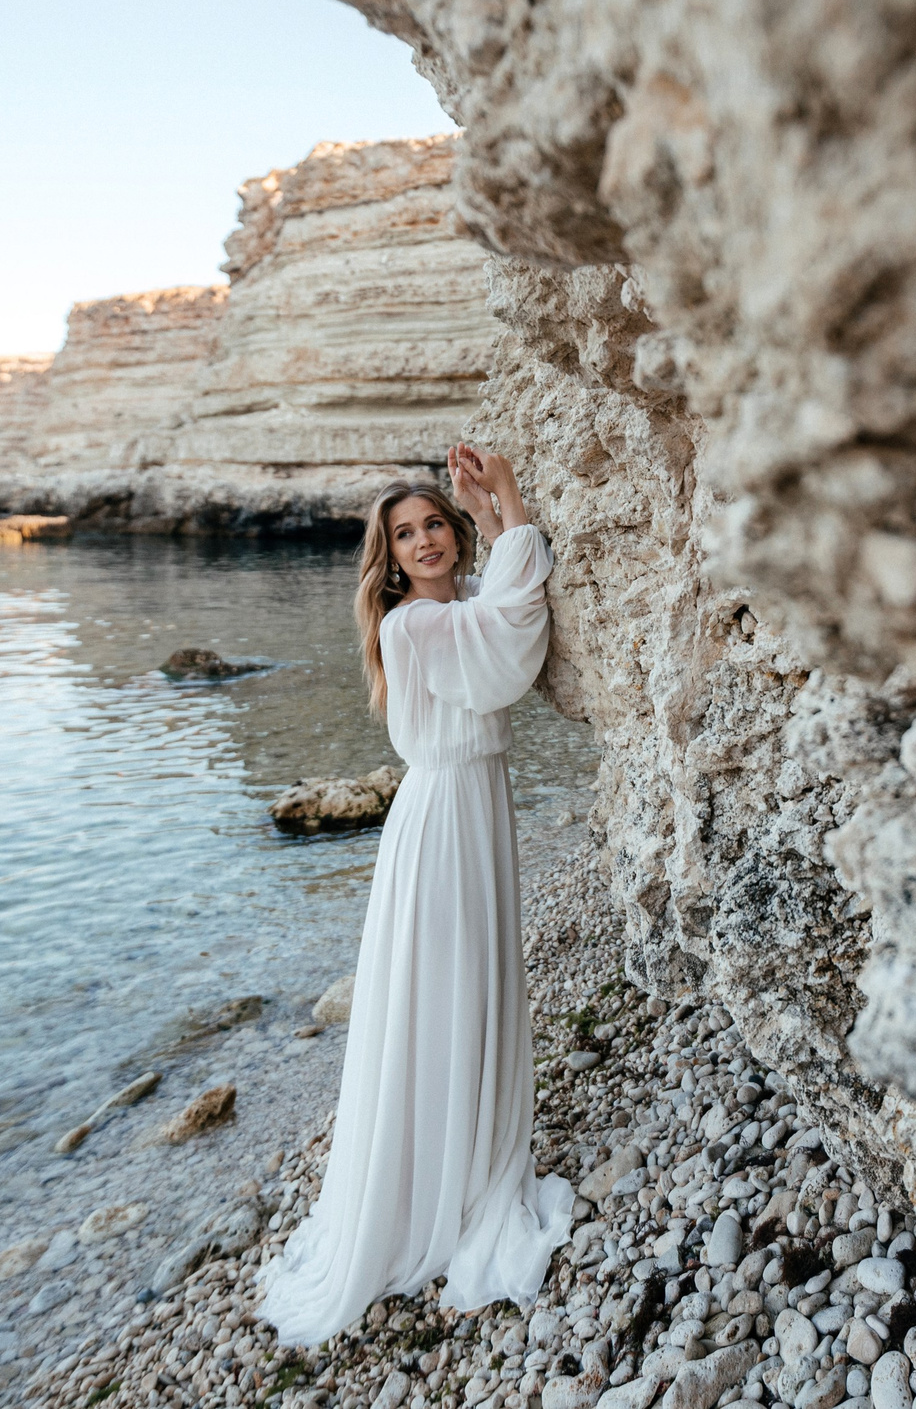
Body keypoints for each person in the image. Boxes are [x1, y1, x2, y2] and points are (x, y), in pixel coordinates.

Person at [254, 442, 573, 1345]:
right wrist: (507, 496)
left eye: (436, 524)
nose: (426, 540)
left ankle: (463, 1162)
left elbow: (501, 598)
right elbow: (512, 635)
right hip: (441, 824)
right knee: (444, 998)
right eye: (406, 533)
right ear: (388, 556)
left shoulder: (455, 604)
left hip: (472, 806)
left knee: (471, 990)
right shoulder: (414, 626)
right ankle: (435, 1188)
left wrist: (488, 511)